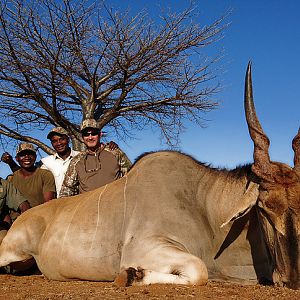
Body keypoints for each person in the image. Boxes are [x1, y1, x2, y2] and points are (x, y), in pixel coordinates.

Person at [59, 119, 132, 197]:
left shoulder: (115, 152)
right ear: (82, 138)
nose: (90, 138)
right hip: (87, 206)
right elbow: (67, 190)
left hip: (114, 203)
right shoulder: (76, 161)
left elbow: (131, 176)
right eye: (86, 134)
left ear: (100, 135)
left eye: (93, 133)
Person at [10, 143, 56, 213]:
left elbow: (48, 204)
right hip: (17, 220)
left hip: (40, 216)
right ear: (17, 158)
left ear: (35, 156)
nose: (27, 157)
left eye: (30, 154)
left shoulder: (46, 175)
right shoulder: (11, 179)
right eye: (23, 155)